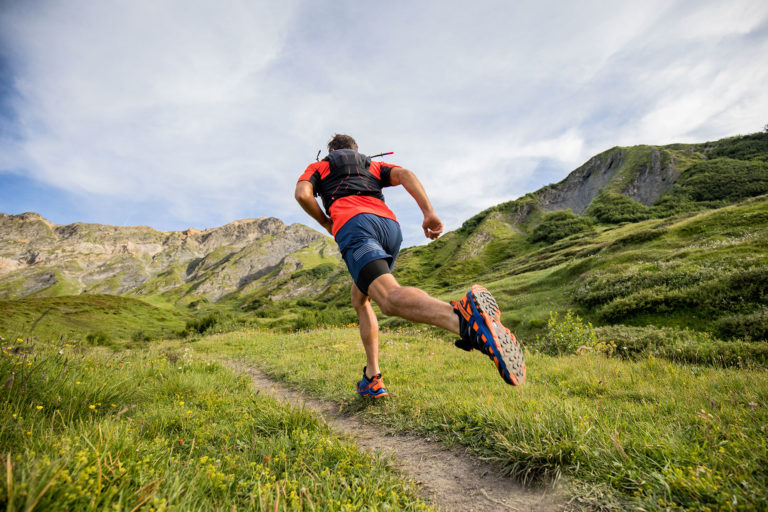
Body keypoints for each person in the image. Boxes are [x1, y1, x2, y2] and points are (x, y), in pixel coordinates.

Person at [295, 134, 525, 397]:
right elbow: (405, 174)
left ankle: (463, 320)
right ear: (356, 150)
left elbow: (302, 194)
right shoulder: (371, 165)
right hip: (389, 229)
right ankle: (372, 376)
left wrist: (326, 222)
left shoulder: (321, 166)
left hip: (355, 225)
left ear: (331, 150)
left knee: (389, 299)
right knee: (360, 297)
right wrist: (428, 212)